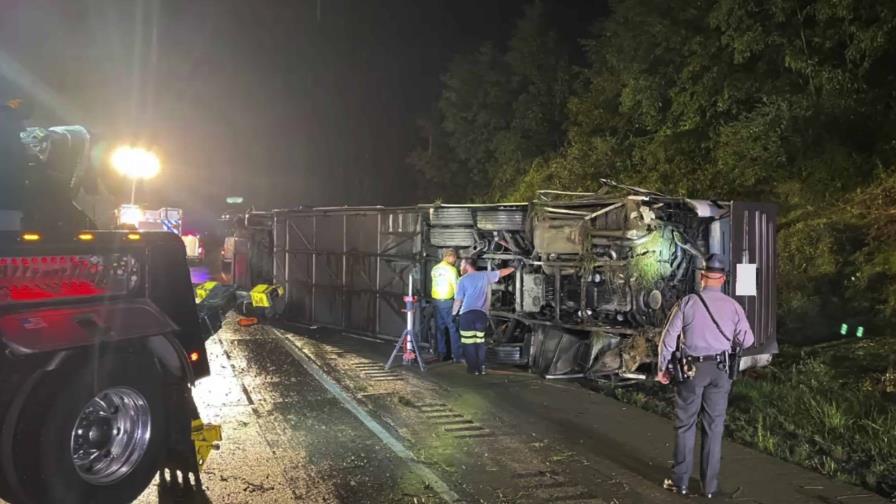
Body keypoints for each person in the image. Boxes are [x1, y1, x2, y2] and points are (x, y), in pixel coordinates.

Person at [656, 254, 755, 498]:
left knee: (685, 425)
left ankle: (680, 483)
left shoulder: (688, 302)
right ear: (722, 279)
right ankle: (709, 488)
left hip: (691, 371)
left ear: (702, 276)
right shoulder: (733, 306)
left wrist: (662, 368)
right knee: (714, 428)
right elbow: (748, 340)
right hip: (721, 372)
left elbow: (668, 341)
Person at [452, 258, 515, 375]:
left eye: (461, 265)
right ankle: (481, 368)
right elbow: (501, 272)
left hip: (467, 314)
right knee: (480, 341)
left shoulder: (462, 280)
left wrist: (453, 313)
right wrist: (515, 267)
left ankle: (473, 368)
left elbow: (458, 300)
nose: (460, 267)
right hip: (481, 315)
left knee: (468, 342)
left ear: (466, 265)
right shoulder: (485, 275)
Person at [431, 248, 462, 362]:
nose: (455, 261)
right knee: (453, 328)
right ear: (450, 257)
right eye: (455, 258)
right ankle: (457, 355)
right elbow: (457, 288)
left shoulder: (435, 269)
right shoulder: (451, 270)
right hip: (447, 302)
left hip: (436, 301)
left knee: (440, 328)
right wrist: (460, 303)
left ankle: (442, 354)